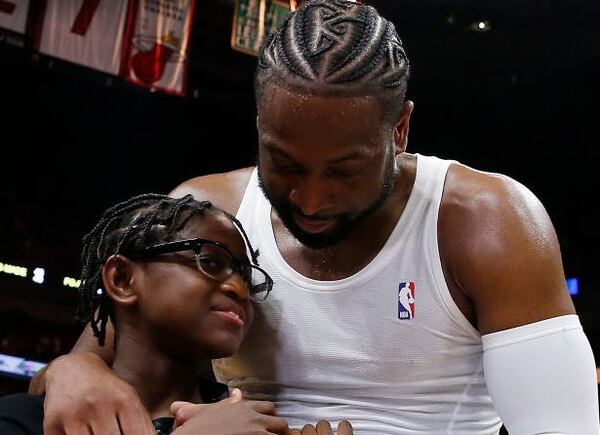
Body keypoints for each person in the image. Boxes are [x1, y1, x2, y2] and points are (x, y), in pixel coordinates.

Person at [31, 0, 599, 433]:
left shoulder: (487, 221)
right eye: (285, 164)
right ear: (259, 123)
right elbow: (84, 368)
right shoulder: (212, 213)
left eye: (345, 170)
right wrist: (71, 371)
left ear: (399, 129)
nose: (311, 199)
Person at [0, 193, 293, 434]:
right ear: (122, 280)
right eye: (211, 263)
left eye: (248, 278)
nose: (239, 289)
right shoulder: (26, 418)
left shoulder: (254, 425)